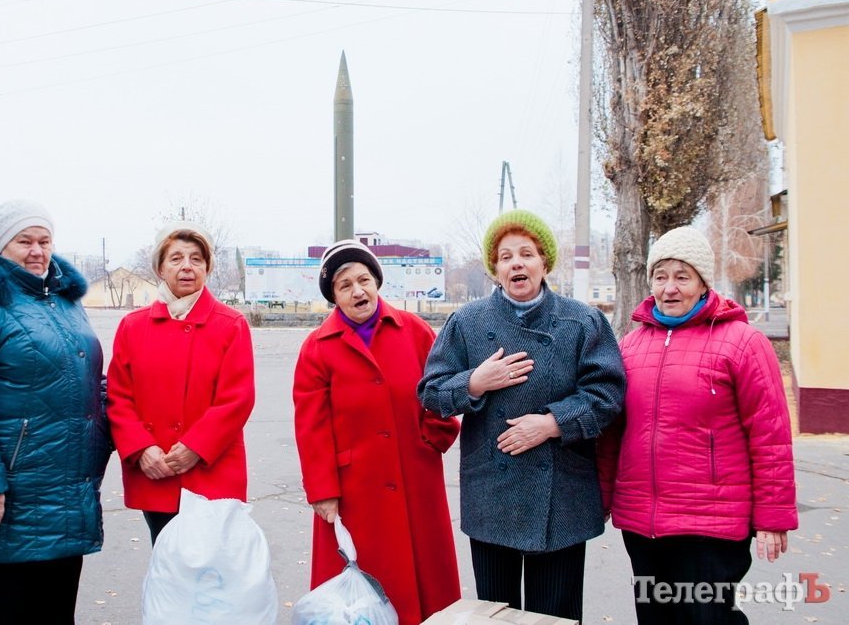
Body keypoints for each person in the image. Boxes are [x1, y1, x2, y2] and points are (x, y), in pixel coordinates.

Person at [418, 209, 625, 622]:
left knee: (557, 615)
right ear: (495, 269)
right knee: (495, 613)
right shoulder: (467, 322)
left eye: (527, 253)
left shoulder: (582, 321)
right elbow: (430, 393)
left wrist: (551, 424)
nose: (517, 263)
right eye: (507, 255)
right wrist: (475, 382)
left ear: (544, 262)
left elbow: (608, 394)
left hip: (562, 493)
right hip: (492, 491)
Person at [598, 226, 798, 624]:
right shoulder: (631, 346)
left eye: (682, 276)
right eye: (661, 276)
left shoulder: (742, 342)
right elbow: (612, 435)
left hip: (711, 524)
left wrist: (773, 518)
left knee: (708, 618)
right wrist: (601, 498)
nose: (669, 288)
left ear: (703, 283)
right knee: (655, 619)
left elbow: (770, 435)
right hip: (643, 523)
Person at [0, 200, 109, 624]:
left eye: (44, 241)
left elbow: (91, 379)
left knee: (54, 612)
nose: (37, 251)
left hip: (65, 490)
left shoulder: (64, 303)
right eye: (23, 241)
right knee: (0, 611)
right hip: (5, 494)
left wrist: (109, 437)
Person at [293, 240, 462, 625]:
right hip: (353, 491)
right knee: (359, 594)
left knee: (425, 582)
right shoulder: (317, 348)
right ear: (334, 297)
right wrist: (323, 491)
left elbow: (441, 389)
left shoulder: (414, 330)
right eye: (345, 285)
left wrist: (432, 437)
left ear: (376, 282)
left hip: (415, 477)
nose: (358, 291)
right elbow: (311, 426)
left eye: (364, 280)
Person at [106, 221, 255, 543]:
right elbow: (118, 397)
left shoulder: (230, 325)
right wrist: (141, 449)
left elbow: (237, 398)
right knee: (168, 572)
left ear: (207, 268)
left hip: (210, 471)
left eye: (196, 259)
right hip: (156, 470)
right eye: (176, 258)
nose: (187, 266)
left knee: (214, 575)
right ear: (160, 268)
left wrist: (195, 447)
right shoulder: (133, 327)